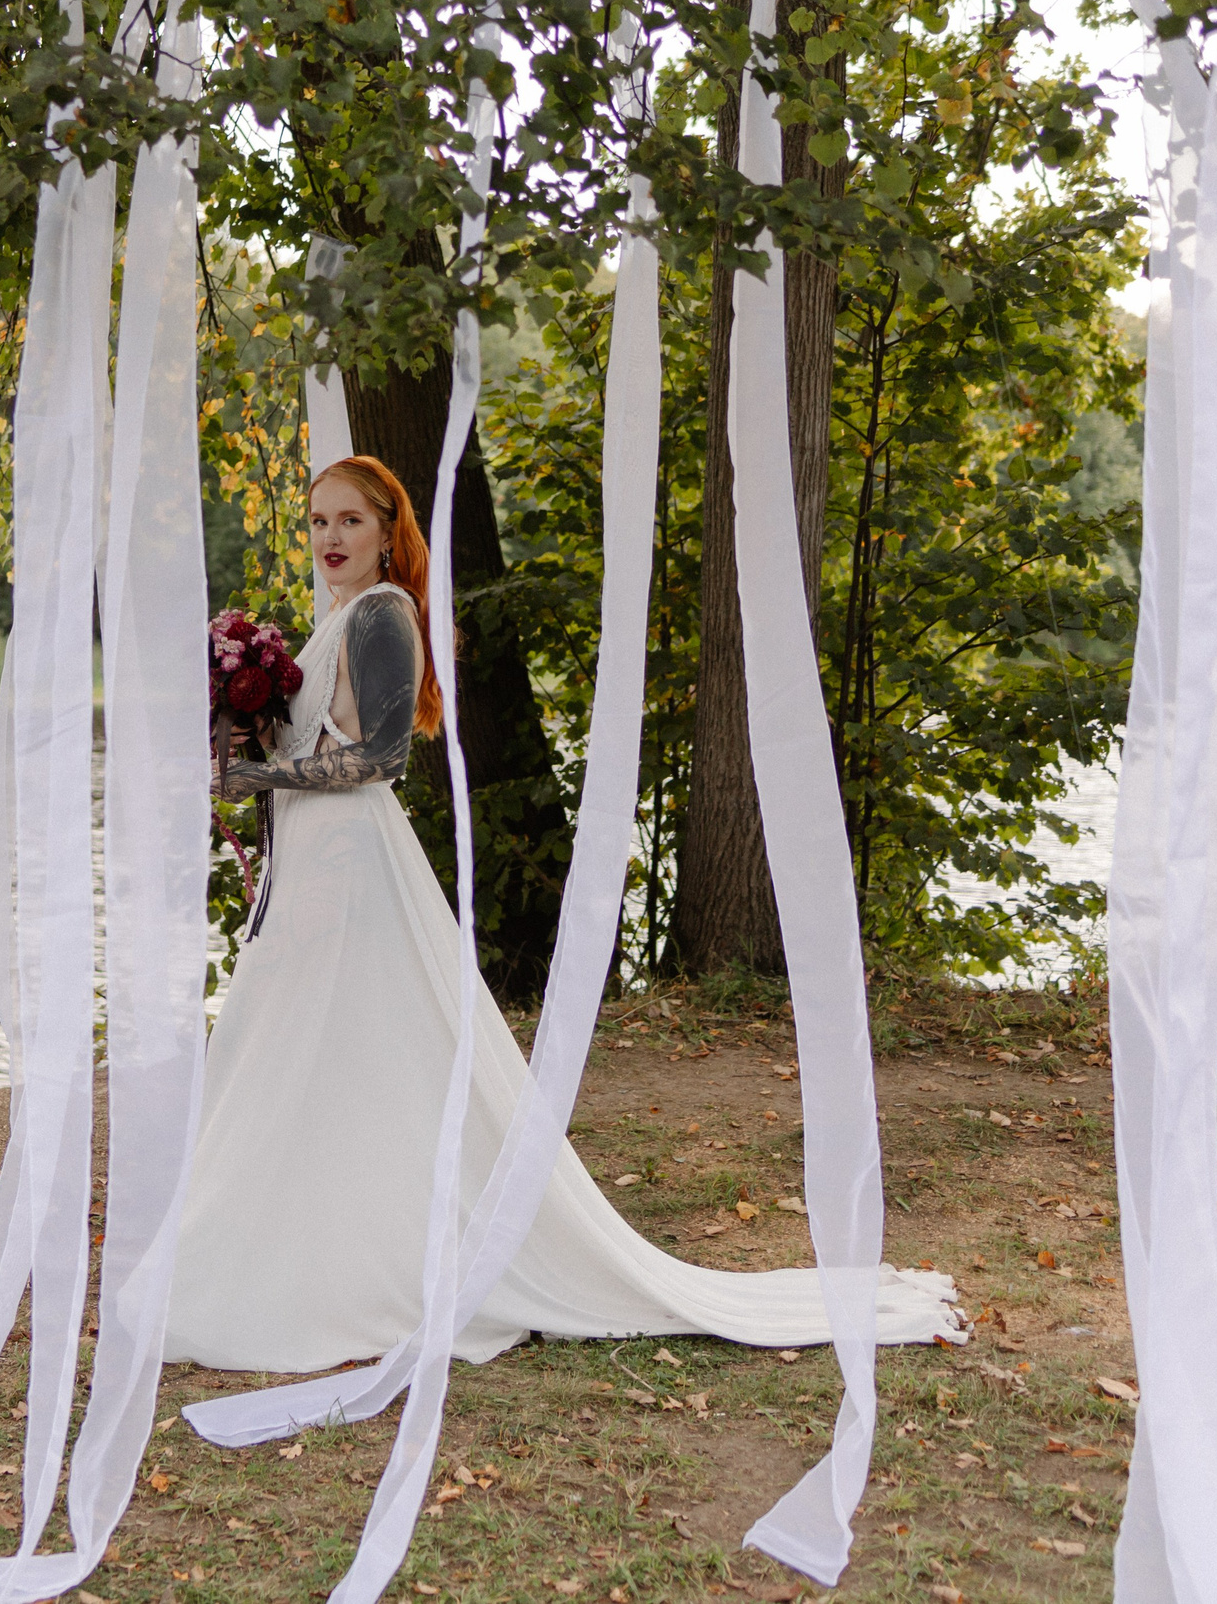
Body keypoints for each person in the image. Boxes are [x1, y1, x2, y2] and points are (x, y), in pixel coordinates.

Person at [164, 455, 964, 1372]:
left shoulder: (384, 613)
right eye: (317, 522)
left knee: (329, 1038)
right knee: (313, 1044)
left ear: (389, 532)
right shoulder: (338, 619)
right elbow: (324, 734)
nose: (331, 538)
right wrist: (248, 721)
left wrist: (262, 771)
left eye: (349, 521)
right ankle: (295, 1242)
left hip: (352, 860)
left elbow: (382, 758)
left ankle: (338, 1259)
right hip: (315, 859)